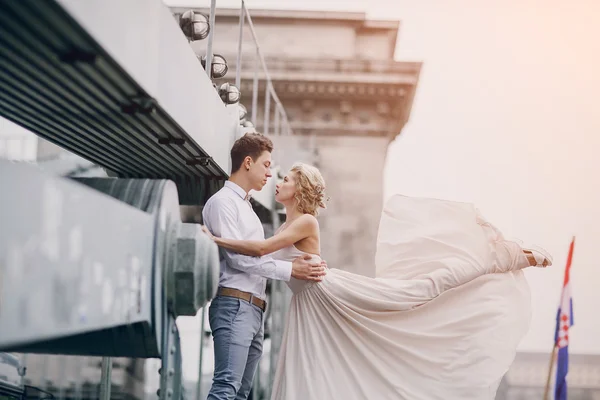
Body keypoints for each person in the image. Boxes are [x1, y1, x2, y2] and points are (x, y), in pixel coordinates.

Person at [202, 162, 552, 400]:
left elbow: (261, 249)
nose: (277, 183)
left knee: (419, 291)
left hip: (329, 294)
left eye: (286, 180)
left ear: (299, 189)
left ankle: (505, 256)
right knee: (303, 374)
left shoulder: (305, 222)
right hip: (309, 306)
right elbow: (262, 257)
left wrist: (214, 239)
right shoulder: (288, 223)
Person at [202, 134, 327, 400]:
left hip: (254, 309)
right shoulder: (223, 203)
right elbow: (239, 259)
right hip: (235, 304)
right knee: (226, 387)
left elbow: (263, 255)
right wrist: (291, 270)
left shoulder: (247, 210)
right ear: (248, 162)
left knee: (240, 393)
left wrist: (298, 263)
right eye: (267, 165)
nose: (271, 174)